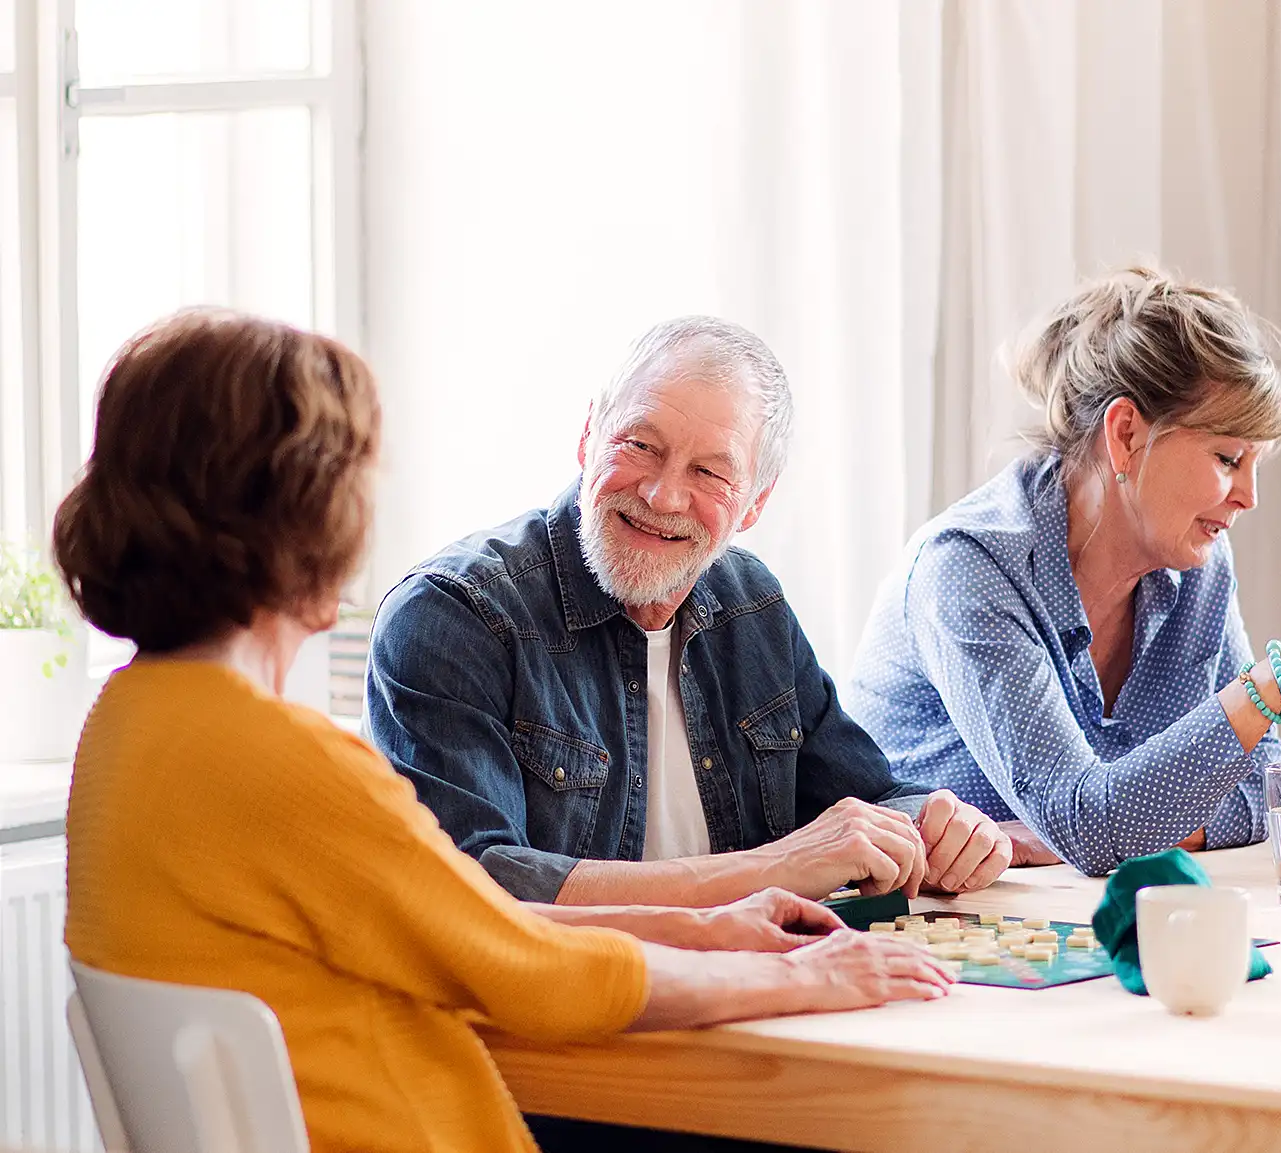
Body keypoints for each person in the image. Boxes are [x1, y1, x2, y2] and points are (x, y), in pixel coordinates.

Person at [56, 310, 952, 1153]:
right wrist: (801, 976)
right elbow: (524, 966)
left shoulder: (127, 727)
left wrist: (710, 926)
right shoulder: (288, 764)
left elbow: (482, 923)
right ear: (311, 526)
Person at [367, 317, 1011, 908]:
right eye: (641, 445)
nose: (662, 494)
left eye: (709, 472)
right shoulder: (452, 616)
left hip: (753, 994)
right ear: (590, 435)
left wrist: (943, 826)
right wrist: (774, 868)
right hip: (561, 1020)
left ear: (754, 504)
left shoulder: (751, 605)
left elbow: (863, 803)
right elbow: (478, 886)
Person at [845, 267, 1281, 877]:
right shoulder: (968, 568)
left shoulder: (1198, 563)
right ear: (1125, 434)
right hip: (921, 929)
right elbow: (1092, 828)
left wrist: (1103, 831)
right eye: (1228, 458)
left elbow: (1260, 796)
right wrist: (1278, 682)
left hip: (1063, 913)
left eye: (1257, 463)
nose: (1249, 496)